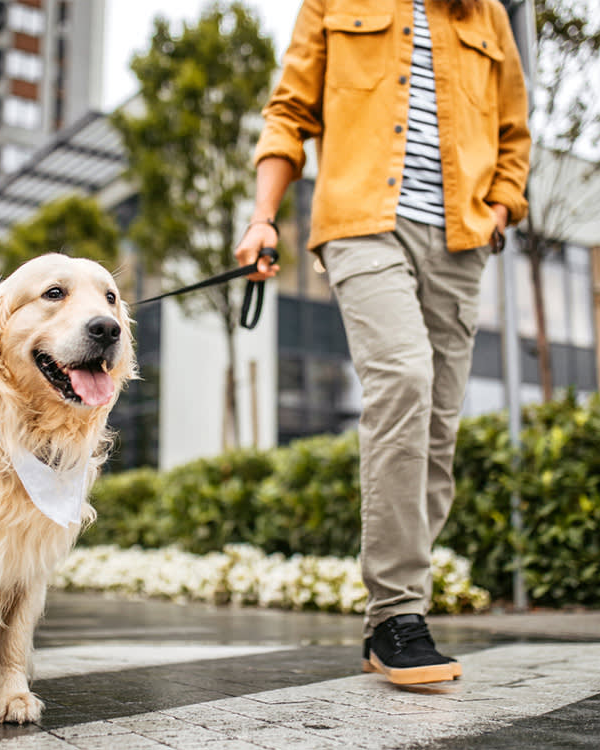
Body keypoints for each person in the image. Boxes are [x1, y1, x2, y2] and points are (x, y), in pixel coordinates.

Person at [236, 0, 530, 685]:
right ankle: (398, 613)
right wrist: (263, 218)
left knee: (436, 430)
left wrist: (496, 211)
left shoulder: (486, 14)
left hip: (460, 241)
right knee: (403, 380)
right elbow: (289, 113)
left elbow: (515, 134)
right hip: (362, 222)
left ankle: (393, 616)